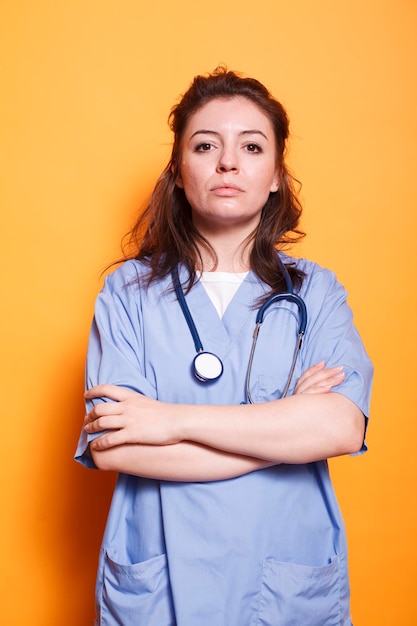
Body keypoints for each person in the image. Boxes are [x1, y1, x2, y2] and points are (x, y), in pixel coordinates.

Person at [75, 67, 373, 626]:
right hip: (159, 579)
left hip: (283, 580)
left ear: (277, 175)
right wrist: (284, 430)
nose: (228, 162)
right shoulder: (128, 293)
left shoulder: (317, 292)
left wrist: (169, 420)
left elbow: (340, 428)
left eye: (252, 146)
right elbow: (115, 448)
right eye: (206, 144)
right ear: (179, 172)